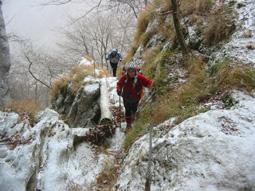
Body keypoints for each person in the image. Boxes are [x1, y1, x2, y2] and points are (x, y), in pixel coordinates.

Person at [117, 63, 153, 132]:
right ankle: (128, 124)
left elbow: (147, 82)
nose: (131, 73)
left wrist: (152, 85)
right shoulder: (124, 77)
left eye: (132, 71)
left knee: (134, 109)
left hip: (136, 97)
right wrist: (118, 89)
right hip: (126, 97)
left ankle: (133, 117)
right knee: (127, 110)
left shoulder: (139, 77)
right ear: (127, 72)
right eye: (129, 71)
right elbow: (119, 84)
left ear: (135, 71)